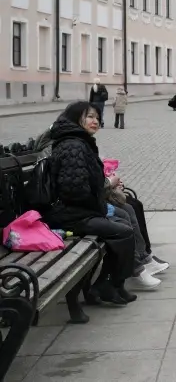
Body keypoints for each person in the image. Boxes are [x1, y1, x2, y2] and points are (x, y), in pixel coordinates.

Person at [43, 102, 137, 306]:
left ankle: (111, 285)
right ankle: (108, 285)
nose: (96, 121)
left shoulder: (78, 141)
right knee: (124, 233)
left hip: (80, 212)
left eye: (97, 117)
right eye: (90, 117)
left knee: (123, 228)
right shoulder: (73, 145)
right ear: (76, 119)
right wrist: (104, 189)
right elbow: (74, 189)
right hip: (71, 216)